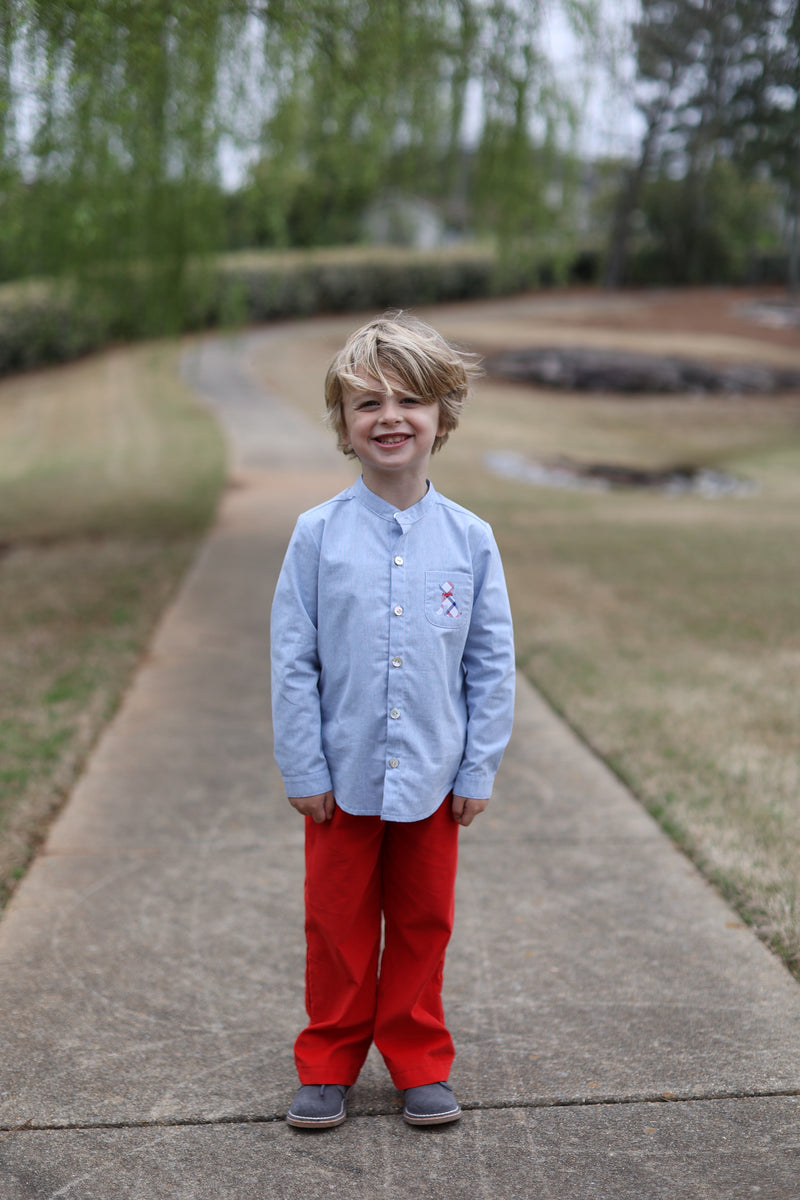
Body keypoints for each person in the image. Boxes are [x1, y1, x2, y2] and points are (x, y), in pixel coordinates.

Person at [270, 311, 515, 1129]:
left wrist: (477, 766)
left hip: (435, 778)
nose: (389, 417)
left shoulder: (471, 542)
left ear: (442, 417)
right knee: (337, 926)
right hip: (341, 777)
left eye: (410, 401)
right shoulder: (317, 536)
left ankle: (418, 1059)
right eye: (366, 402)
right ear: (342, 422)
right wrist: (304, 767)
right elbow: (293, 661)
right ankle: (329, 1060)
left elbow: (488, 663)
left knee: (422, 922)